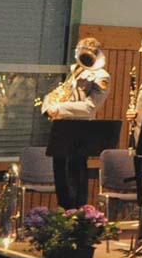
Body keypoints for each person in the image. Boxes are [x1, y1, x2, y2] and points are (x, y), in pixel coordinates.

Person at [43, 37, 110, 208]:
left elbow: (90, 106)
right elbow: (60, 93)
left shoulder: (101, 76)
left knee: (75, 174)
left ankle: (76, 215)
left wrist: (60, 108)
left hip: (79, 130)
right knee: (60, 175)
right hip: (62, 128)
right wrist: (48, 105)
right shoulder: (75, 72)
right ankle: (64, 213)